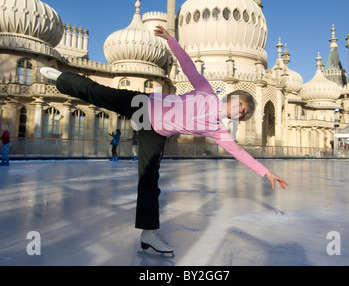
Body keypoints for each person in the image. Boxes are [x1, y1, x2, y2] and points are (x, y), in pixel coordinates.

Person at [39, 26, 288, 254]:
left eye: (244, 113)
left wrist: (265, 172)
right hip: (144, 105)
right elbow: (189, 66)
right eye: (241, 105)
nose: (240, 111)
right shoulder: (206, 92)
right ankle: (61, 79)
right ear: (233, 98)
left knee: (149, 180)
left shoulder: (217, 130)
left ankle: (149, 233)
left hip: (155, 132)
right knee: (100, 93)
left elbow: (238, 152)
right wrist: (171, 40)